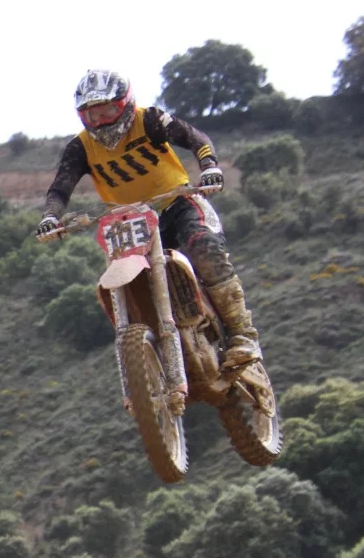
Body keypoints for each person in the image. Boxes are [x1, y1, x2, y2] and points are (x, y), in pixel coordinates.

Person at [37, 69, 262, 374]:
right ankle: (152, 352)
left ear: (125, 104)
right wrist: (51, 216)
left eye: (108, 110)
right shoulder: (80, 148)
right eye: (93, 115)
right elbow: (61, 187)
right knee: (130, 282)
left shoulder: (149, 120)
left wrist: (209, 166)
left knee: (204, 247)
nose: (101, 120)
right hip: (129, 220)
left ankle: (242, 335)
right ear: (82, 117)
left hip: (178, 203)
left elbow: (195, 137)